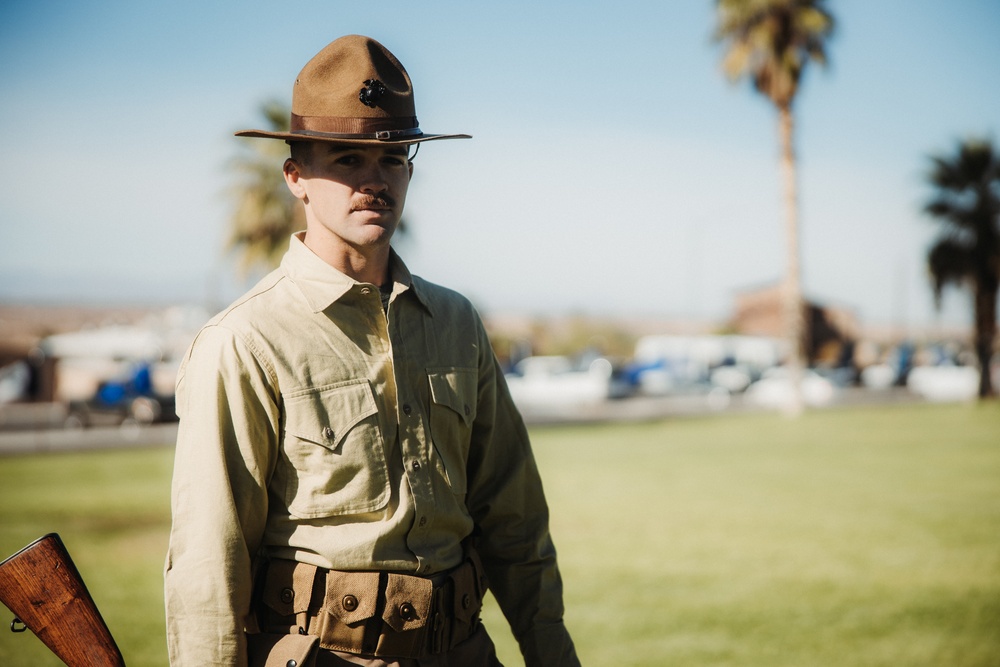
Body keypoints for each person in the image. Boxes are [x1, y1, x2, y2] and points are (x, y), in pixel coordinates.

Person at [164, 34, 580, 667]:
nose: (374, 181)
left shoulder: (456, 322)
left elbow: (513, 516)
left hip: (462, 651)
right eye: (347, 159)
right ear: (297, 176)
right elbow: (208, 561)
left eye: (391, 159)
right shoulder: (244, 340)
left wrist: (553, 654)